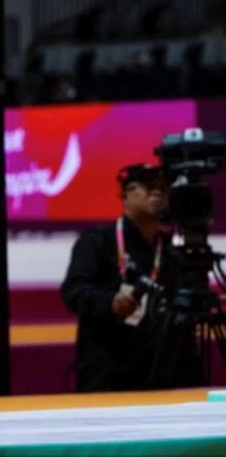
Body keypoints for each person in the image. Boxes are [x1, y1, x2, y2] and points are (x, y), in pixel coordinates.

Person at [59, 163, 204, 392]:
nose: (157, 192)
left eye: (162, 188)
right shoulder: (97, 241)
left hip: (163, 372)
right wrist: (110, 302)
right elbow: (73, 291)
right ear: (125, 194)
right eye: (147, 186)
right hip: (108, 372)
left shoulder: (171, 250)